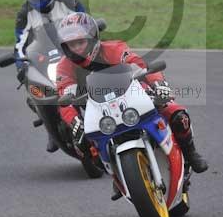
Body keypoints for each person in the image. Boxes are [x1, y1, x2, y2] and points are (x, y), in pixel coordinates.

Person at [56, 13, 208, 200]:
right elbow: (64, 96)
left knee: (178, 115)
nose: (77, 48)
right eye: (72, 45)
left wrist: (158, 85)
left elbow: (139, 65)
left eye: (80, 42)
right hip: (98, 111)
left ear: (93, 38)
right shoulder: (64, 66)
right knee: (82, 143)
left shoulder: (114, 48)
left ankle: (190, 152)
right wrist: (75, 121)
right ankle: (118, 174)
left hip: (134, 95)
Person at [14, 0, 85, 153]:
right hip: (45, 59)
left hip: (72, 54)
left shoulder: (69, 2)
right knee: (33, 90)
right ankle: (50, 128)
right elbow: (19, 44)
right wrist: (21, 64)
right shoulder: (24, 14)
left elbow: (88, 24)